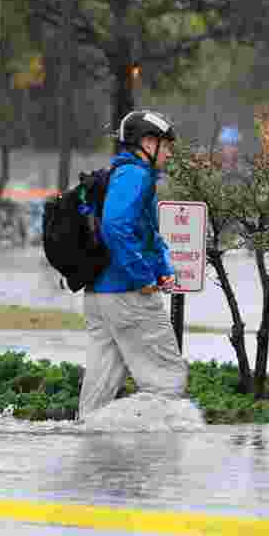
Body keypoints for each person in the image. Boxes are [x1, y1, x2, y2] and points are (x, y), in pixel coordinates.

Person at [77, 109, 189, 420]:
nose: (169, 153)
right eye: (165, 146)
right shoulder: (136, 175)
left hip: (101, 294)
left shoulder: (120, 175)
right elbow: (115, 226)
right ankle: (158, 453)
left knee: (100, 387)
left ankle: (93, 437)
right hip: (128, 293)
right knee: (167, 380)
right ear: (147, 143)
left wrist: (163, 270)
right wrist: (142, 276)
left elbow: (146, 233)